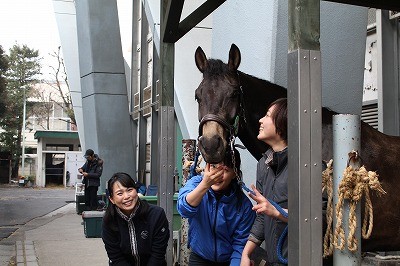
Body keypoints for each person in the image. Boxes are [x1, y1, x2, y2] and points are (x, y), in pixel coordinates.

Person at [177, 148, 256, 266]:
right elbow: (184, 209)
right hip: (199, 257)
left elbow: (240, 245)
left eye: (225, 170)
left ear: (235, 174)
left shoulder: (243, 206)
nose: (217, 175)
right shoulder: (196, 183)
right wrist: (205, 185)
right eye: (214, 167)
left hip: (228, 260)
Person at [241, 98, 289, 266]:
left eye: (267, 116)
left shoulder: (307, 165)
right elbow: (262, 215)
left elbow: (322, 216)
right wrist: (246, 253)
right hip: (274, 260)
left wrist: (278, 212)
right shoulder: (264, 164)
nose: (260, 120)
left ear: (282, 124)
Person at [102, 172, 170, 265]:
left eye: (129, 190)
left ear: (136, 191)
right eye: (120, 193)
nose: (127, 197)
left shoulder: (157, 215)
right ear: (112, 199)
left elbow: (158, 254)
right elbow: (116, 257)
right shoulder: (109, 221)